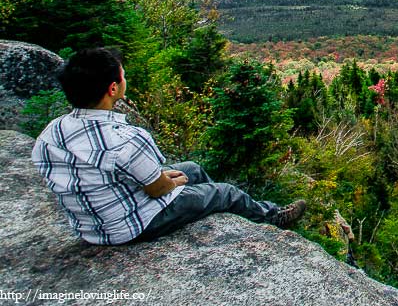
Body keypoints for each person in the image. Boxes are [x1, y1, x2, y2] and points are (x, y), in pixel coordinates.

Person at [32, 47, 305, 245]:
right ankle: (272, 217)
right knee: (225, 193)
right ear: (113, 89)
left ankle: (209, 209)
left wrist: (164, 178)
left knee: (191, 169)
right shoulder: (126, 138)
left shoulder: (51, 133)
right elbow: (157, 188)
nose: (125, 79)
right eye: (122, 76)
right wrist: (168, 184)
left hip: (90, 225)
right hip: (131, 225)